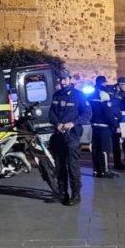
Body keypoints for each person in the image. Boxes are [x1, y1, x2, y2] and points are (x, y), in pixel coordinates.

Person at [49, 70, 91, 206]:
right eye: (61, 79)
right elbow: (51, 113)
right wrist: (57, 123)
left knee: (72, 166)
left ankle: (76, 194)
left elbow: (87, 113)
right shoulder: (56, 95)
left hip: (72, 135)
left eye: (65, 79)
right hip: (58, 136)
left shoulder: (78, 95)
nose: (62, 82)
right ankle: (62, 193)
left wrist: (73, 123)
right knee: (59, 166)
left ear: (70, 79)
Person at [89, 76, 118, 178]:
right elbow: (107, 112)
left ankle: (96, 170)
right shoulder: (104, 94)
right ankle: (105, 170)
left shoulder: (91, 94)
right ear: (103, 83)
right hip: (104, 126)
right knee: (105, 149)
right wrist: (115, 124)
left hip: (94, 126)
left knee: (95, 149)